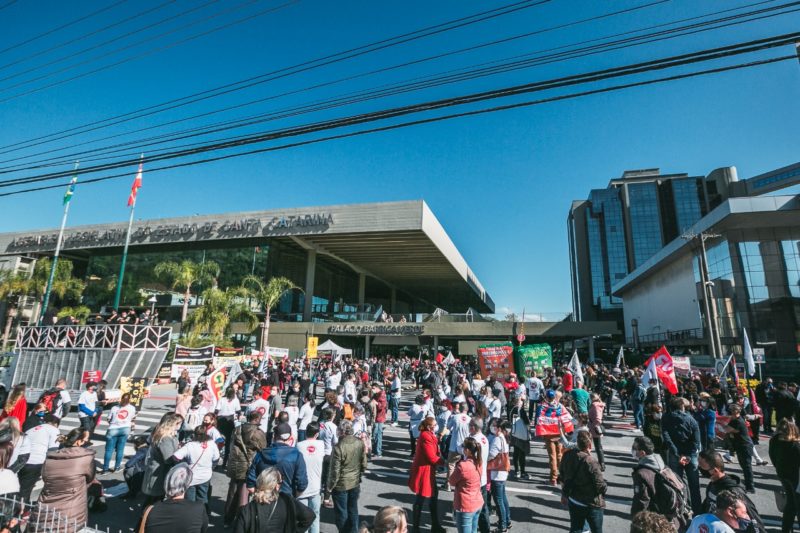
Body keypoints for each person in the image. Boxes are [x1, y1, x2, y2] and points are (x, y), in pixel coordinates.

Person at [37, 428, 95, 528]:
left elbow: (45, 477)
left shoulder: (51, 457)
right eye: (86, 441)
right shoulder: (86, 458)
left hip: (47, 503)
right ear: (79, 441)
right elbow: (90, 478)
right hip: (72, 506)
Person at [630, 436, 689, 531]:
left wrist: (636, 520)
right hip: (672, 517)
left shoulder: (641, 473)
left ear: (642, 453)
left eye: (635, 448)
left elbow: (642, 500)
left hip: (656, 518)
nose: (633, 451)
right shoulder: (662, 465)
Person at [697, 450, 765, 530]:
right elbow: (706, 506)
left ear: (715, 470)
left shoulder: (733, 492)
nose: (699, 468)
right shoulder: (713, 484)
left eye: (702, 466)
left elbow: (754, 521)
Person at [234, 467, 315, 533]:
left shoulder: (247, 510)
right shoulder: (287, 501)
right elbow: (309, 516)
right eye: (280, 482)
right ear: (276, 486)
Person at [224, 410, 267, 526]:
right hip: (248, 466)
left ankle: (227, 519)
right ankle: (241, 521)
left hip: (235, 464)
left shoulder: (237, 429)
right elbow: (263, 450)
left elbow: (231, 445)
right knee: (243, 497)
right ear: (258, 419)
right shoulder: (258, 433)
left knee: (232, 494)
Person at [559, 431, 606, 533]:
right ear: (589, 445)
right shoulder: (591, 461)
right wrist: (605, 488)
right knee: (596, 530)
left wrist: (564, 493)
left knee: (576, 528)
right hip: (591, 503)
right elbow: (600, 485)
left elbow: (562, 476)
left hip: (574, 499)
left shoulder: (567, 455)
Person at [661, 396, 702, 513]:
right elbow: (696, 440)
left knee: (676, 483)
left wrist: (677, 453)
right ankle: (697, 509)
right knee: (694, 485)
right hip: (690, 454)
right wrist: (688, 455)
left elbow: (666, 436)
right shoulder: (691, 420)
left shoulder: (666, 418)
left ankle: (681, 508)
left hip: (675, 454)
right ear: (682, 407)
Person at [141, 463, 209, 533]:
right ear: (188, 484)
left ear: (167, 482)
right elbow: (203, 530)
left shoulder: (150, 510)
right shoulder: (199, 508)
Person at [247, 422, 308, 496]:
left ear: (274, 436)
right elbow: (302, 483)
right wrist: (293, 497)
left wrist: (259, 495)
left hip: (264, 499)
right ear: (290, 437)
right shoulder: (296, 455)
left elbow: (250, 484)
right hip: (286, 500)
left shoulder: (261, 454)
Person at [328, 419, 367, 533]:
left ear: (341, 431)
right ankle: (354, 531)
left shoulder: (338, 447)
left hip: (341, 484)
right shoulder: (359, 442)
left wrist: (330, 486)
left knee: (341, 512)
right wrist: (359, 473)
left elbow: (335, 471)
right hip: (355, 482)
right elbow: (364, 463)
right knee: (353, 509)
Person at [408, 416, 445, 533]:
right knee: (421, 498)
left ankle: (435, 525)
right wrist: (446, 463)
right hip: (424, 471)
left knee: (433, 496)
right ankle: (416, 528)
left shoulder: (429, 435)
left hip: (428, 470)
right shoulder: (425, 436)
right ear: (429, 427)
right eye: (434, 425)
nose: (436, 427)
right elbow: (431, 457)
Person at [171, 425, 220, 505]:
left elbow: (176, 456)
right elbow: (216, 458)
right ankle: (203, 514)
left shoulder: (190, 445)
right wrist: (211, 467)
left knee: (190, 500)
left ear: (194, 434)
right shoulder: (211, 444)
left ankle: (191, 515)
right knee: (203, 498)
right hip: (205, 476)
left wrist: (183, 464)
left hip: (191, 477)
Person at [16, 413, 60, 502]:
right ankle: (19, 511)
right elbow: (53, 450)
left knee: (19, 486)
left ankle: (18, 507)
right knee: (25, 489)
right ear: (55, 423)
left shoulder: (32, 429)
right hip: (35, 461)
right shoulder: (54, 430)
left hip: (20, 459)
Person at [142, 413, 183, 506]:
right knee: (154, 500)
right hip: (159, 472)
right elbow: (168, 458)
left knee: (153, 499)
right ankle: (144, 518)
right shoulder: (166, 438)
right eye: (179, 423)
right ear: (173, 424)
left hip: (157, 470)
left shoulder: (167, 434)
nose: (180, 426)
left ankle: (146, 517)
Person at [769, 418, 800, 532]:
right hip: (796, 478)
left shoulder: (774, 440)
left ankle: (786, 529)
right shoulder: (795, 445)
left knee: (790, 504)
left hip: (783, 475)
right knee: (797, 505)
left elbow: (772, 457)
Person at [449, 436, 483, 533]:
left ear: (467, 450)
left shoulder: (463, 466)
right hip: (477, 501)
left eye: (463, 447)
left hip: (465, 505)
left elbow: (451, 481)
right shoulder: (478, 462)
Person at [297, 422, 325, 533]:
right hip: (315, 487)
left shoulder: (299, 446)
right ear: (317, 434)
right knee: (315, 517)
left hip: (301, 489)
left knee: (302, 520)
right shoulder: (321, 445)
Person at [723, 404, 755, 493]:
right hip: (740, 446)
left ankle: (750, 487)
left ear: (736, 411)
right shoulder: (734, 420)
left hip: (745, 446)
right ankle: (748, 484)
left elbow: (726, 429)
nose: (730, 412)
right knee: (744, 466)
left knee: (747, 467)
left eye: (732, 410)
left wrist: (725, 426)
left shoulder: (738, 421)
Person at [102, 392, 136, 473]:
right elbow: (132, 418)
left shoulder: (114, 407)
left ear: (121, 398)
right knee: (120, 449)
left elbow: (109, 419)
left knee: (109, 450)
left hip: (113, 429)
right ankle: (117, 467)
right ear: (129, 399)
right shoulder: (132, 408)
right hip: (125, 429)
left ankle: (105, 469)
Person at [686, 490, 751, 533]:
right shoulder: (726, 531)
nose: (747, 517)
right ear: (730, 512)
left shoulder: (698, 518)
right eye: (744, 512)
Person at [488, 419, 511, 533]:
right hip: (503, 472)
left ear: (500, 428)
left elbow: (491, 455)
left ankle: (502, 526)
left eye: (495, 426)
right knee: (503, 498)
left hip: (497, 473)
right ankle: (507, 520)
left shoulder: (497, 439)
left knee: (498, 501)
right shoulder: (504, 438)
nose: (493, 428)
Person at [215, 387, 240, 467]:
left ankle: (216, 458)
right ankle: (225, 460)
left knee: (219, 439)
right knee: (229, 441)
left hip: (221, 420)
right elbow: (238, 411)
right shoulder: (235, 400)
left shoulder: (222, 399)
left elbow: (217, 410)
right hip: (230, 420)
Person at [508, 396, 531, 479]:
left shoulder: (511, 410)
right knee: (522, 454)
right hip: (522, 435)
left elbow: (510, 420)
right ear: (518, 401)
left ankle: (516, 471)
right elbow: (527, 422)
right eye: (521, 400)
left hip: (514, 433)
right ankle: (523, 472)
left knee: (516, 453)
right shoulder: (520, 410)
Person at [588, 393, 606, 471]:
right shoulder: (599, 404)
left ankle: (601, 464)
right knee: (598, 447)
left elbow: (598, 418)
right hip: (595, 428)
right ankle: (602, 464)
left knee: (596, 447)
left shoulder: (595, 405)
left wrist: (594, 425)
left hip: (594, 429)